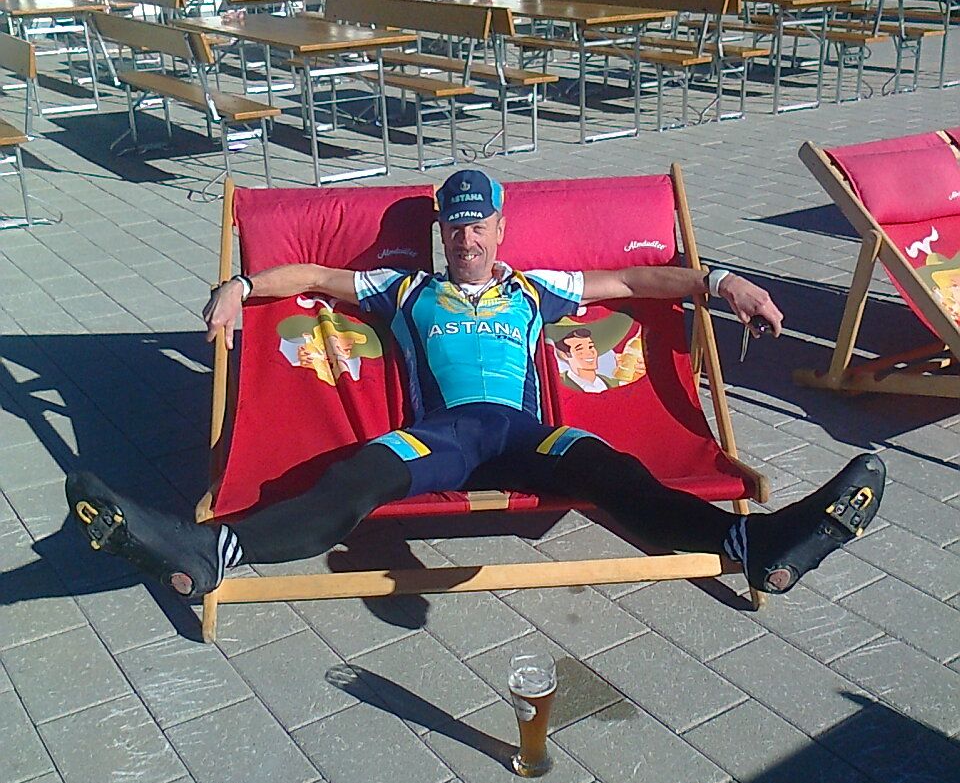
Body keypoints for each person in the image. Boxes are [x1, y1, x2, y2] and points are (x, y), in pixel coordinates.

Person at [66, 168, 884, 603]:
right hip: (442, 440)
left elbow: (637, 279)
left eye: (478, 224)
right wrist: (241, 287)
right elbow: (311, 274)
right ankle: (210, 551)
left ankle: (755, 546)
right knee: (355, 478)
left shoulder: (536, 287)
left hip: (529, 438)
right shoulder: (404, 289)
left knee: (613, 471)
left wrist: (725, 282)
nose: (466, 238)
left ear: (499, 227)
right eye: (455, 225)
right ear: (443, 231)